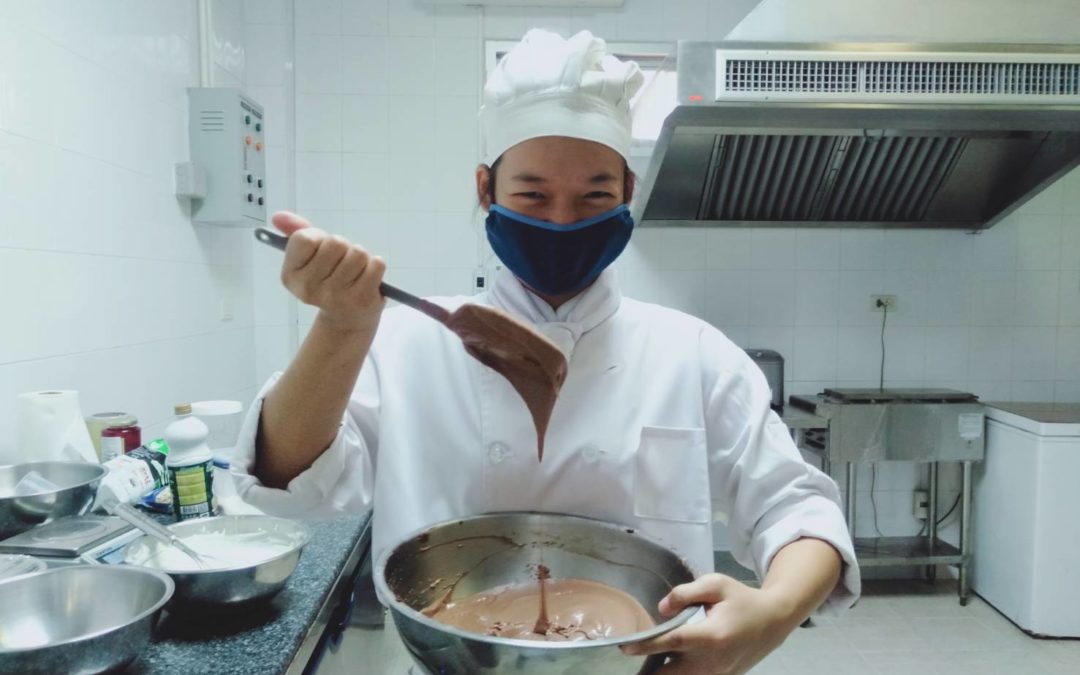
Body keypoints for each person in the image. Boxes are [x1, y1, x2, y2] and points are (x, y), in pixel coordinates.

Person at [233, 29, 859, 674]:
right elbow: (286, 481)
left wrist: (775, 613)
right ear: (486, 189)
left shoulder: (692, 352)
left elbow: (797, 506)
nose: (562, 221)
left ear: (628, 194)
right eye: (532, 195)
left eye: (594, 196)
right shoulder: (403, 340)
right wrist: (341, 325)